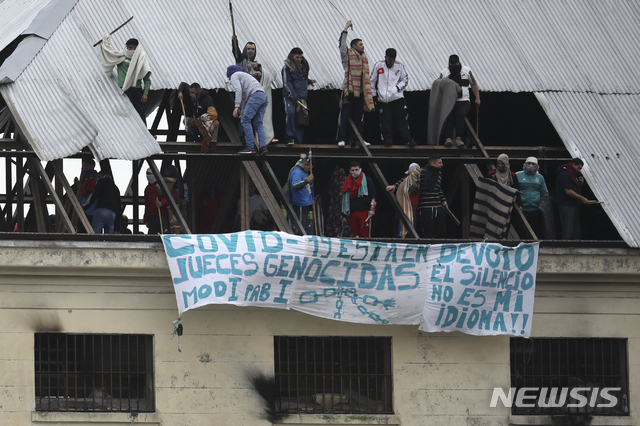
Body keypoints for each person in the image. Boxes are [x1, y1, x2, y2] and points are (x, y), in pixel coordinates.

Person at [232, 36, 276, 145]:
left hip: (254, 96)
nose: (251, 51)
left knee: (256, 120)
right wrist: (234, 41)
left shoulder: (256, 65)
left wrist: (258, 69)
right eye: (248, 49)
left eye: (252, 49)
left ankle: (258, 142)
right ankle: (244, 140)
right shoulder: (241, 61)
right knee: (243, 118)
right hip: (244, 95)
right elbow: (236, 52)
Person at [337, 20, 374, 148]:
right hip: (349, 91)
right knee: (344, 116)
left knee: (359, 117)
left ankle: (360, 140)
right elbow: (342, 45)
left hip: (360, 92)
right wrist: (346, 28)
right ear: (354, 46)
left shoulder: (364, 59)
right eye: (360, 44)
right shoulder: (347, 55)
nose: (363, 46)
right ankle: (342, 139)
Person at [99, 36, 151, 123]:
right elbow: (110, 55)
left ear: (136, 48)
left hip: (137, 89)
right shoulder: (121, 57)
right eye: (127, 47)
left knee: (140, 112)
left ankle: (143, 129)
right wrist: (104, 43)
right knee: (128, 112)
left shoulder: (141, 60)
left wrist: (145, 93)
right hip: (125, 88)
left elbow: (147, 79)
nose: (128, 49)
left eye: (130, 47)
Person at [370, 48, 416, 147]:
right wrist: (374, 96)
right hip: (383, 99)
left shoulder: (400, 66)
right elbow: (372, 81)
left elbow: (405, 79)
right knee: (385, 121)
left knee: (402, 120)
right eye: (389, 60)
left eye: (393, 60)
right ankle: (388, 139)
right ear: (385, 57)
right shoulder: (378, 66)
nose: (391, 62)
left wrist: (397, 88)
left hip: (397, 98)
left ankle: (408, 140)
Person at [439, 54, 480, 148]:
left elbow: (473, 84)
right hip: (449, 100)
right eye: (451, 65)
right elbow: (439, 86)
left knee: (460, 114)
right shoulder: (444, 73)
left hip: (463, 100)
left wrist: (477, 98)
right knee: (449, 116)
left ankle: (459, 138)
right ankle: (448, 138)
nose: (453, 67)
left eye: (455, 65)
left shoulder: (466, 71)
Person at [227, 65, 269, 155]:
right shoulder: (245, 77)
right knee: (258, 123)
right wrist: (242, 113)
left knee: (245, 120)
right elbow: (245, 100)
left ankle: (250, 147)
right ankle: (263, 147)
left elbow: (238, 90)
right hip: (263, 96)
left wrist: (236, 107)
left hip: (255, 95)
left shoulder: (234, 75)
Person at [282, 48, 315, 145]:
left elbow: (302, 79)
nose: (299, 59)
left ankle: (298, 142)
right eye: (297, 57)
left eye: (300, 57)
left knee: (301, 119)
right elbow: (286, 83)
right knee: (291, 113)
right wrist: (294, 95)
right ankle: (290, 137)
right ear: (292, 57)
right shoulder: (287, 68)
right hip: (290, 97)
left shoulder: (303, 68)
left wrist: (309, 81)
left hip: (302, 97)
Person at [487, 154, 522, 238]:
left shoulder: (512, 175)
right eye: (498, 163)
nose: (500, 165)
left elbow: (516, 189)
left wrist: (520, 204)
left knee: (506, 221)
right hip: (495, 202)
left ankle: (503, 238)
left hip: (507, 203)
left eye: (502, 164)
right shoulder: (492, 174)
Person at [516, 157, 549, 238]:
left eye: (533, 164)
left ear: (536, 166)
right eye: (529, 163)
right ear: (525, 164)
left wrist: (543, 206)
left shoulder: (540, 177)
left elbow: (544, 192)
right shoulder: (518, 175)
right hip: (521, 209)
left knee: (535, 231)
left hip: (535, 209)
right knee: (520, 231)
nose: (530, 165)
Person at [341, 161, 376, 237]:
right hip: (352, 213)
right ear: (350, 171)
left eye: (356, 170)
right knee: (355, 235)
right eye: (353, 170)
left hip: (365, 212)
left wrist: (372, 209)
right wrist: (344, 216)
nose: (355, 172)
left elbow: (373, 196)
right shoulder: (347, 182)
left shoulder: (367, 180)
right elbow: (344, 199)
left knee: (365, 235)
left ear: (360, 169)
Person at [556, 158, 588, 240]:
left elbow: (573, 190)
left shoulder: (572, 175)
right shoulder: (565, 174)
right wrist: (582, 198)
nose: (579, 171)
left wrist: (580, 184)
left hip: (572, 205)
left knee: (575, 231)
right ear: (573, 165)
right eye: (578, 168)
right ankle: (565, 246)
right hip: (567, 205)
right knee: (568, 231)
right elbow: (568, 191)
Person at [386, 162, 420, 237]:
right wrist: (395, 186)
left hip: (413, 208)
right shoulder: (407, 180)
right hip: (405, 207)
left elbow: (417, 191)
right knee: (403, 226)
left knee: (412, 229)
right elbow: (403, 181)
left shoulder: (419, 181)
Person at [417, 157, 447, 238]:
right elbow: (408, 180)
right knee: (427, 232)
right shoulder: (421, 172)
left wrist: (443, 200)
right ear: (433, 164)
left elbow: (438, 189)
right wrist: (395, 186)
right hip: (425, 207)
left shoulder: (439, 174)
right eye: (440, 163)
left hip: (437, 206)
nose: (442, 164)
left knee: (441, 231)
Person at [143, 168, 177, 234]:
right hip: (151, 218)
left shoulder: (162, 185)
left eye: (149, 174)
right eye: (147, 174)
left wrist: (162, 203)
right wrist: (146, 219)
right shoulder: (147, 188)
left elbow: (173, 197)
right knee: (152, 238)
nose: (148, 175)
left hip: (161, 216)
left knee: (164, 236)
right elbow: (147, 204)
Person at [288, 154, 314, 231]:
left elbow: (301, 161)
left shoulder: (302, 170)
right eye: (309, 168)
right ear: (305, 164)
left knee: (304, 225)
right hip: (300, 204)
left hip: (305, 203)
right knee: (300, 228)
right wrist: (307, 181)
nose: (309, 170)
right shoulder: (297, 172)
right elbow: (294, 186)